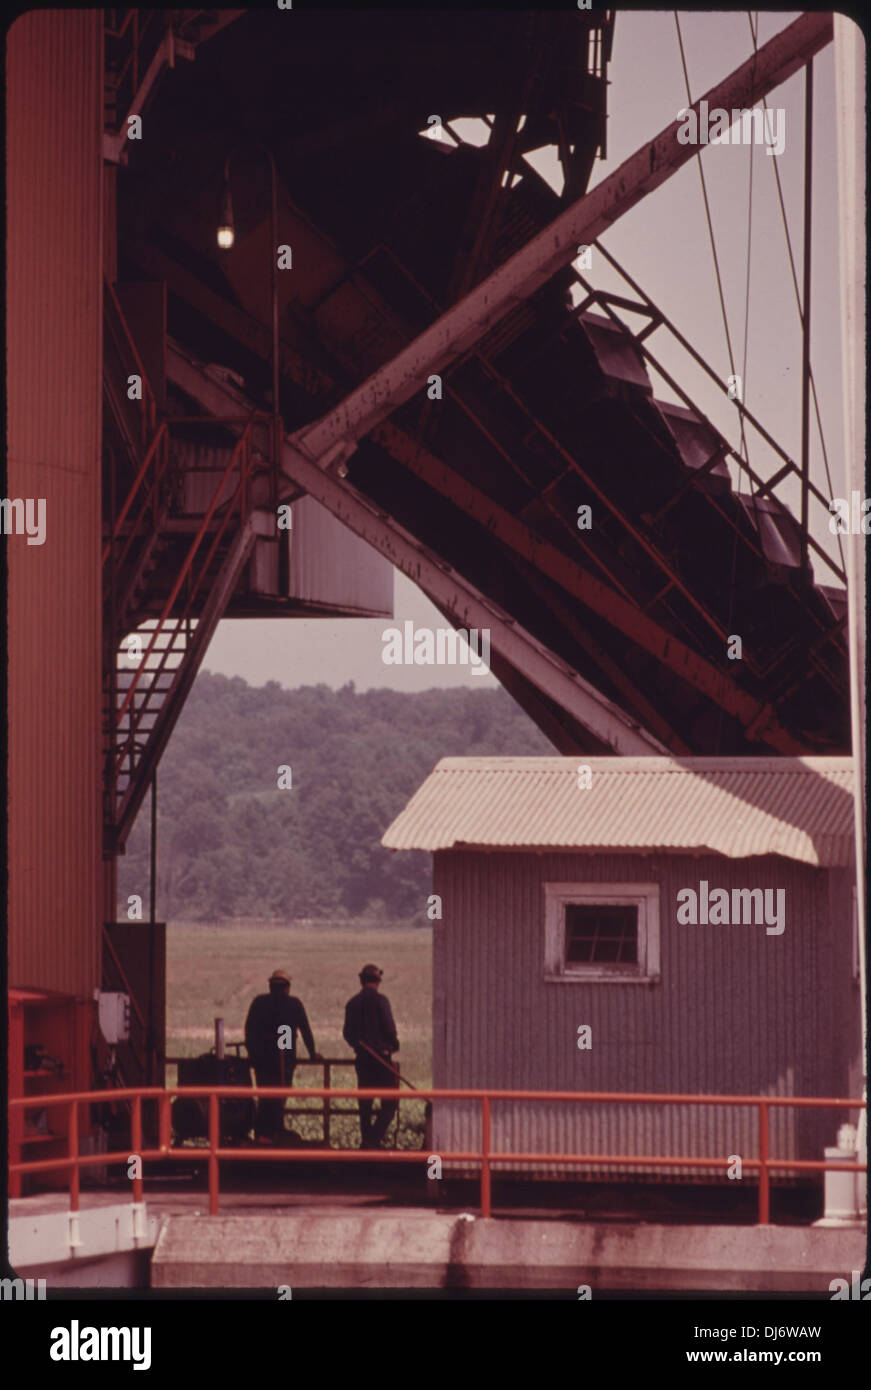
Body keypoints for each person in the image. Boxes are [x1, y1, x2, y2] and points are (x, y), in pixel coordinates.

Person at [244, 969, 322, 1142]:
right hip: (282, 1058)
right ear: (287, 987)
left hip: (262, 1059)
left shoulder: (259, 1003)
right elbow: (302, 1031)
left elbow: (250, 1031)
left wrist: (253, 1054)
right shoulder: (293, 1005)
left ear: (271, 986)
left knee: (265, 1094)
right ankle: (274, 1131)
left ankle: (263, 1132)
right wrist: (311, 1053)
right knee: (280, 1093)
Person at [343, 964, 400, 1149]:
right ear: (378, 981)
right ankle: (371, 1141)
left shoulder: (352, 1003)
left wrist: (358, 1045)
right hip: (382, 1058)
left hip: (363, 1059)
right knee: (390, 1103)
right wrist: (393, 1044)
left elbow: (347, 1033)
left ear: (362, 980)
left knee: (365, 1104)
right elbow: (389, 1028)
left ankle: (367, 1143)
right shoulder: (381, 1001)